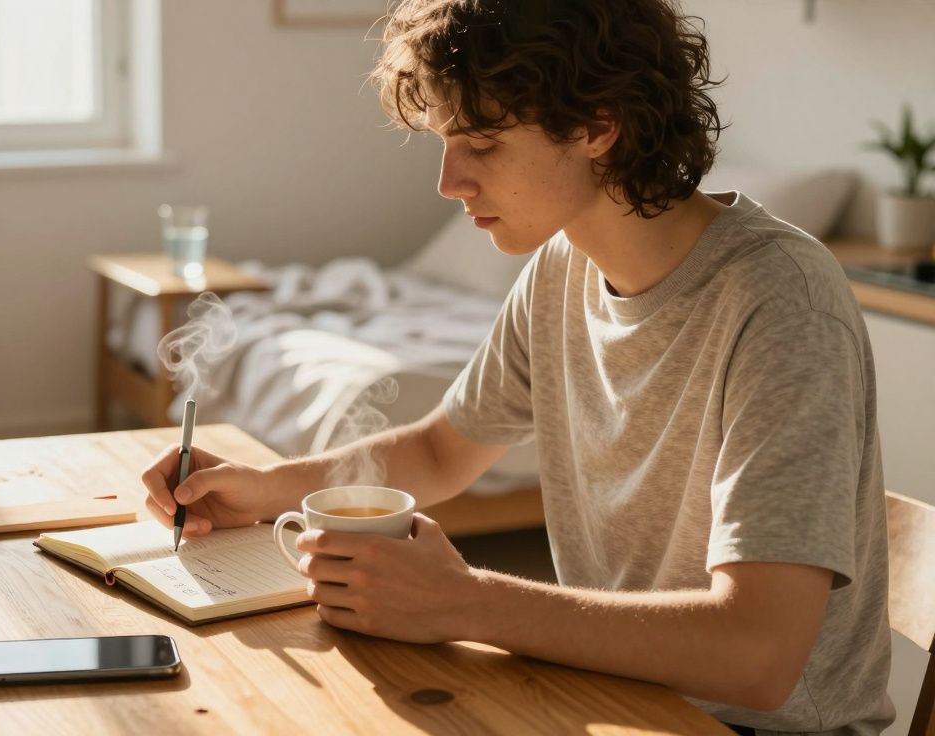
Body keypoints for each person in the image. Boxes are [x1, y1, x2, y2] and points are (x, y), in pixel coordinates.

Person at [141, 0, 894, 732]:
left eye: (483, 144)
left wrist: (464, 601)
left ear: (600, 125)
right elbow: (441, 449)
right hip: (608, 695)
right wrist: (260, 489)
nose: (448, 181)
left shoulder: (781, 304)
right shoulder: (561, 267)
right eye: (444, 141)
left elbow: (757, 656)